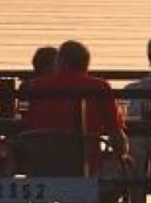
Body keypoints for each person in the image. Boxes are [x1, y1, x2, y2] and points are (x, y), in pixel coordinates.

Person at [22, 40, 125, 170]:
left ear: (60, 61)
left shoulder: (34, 86)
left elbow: (27, 124)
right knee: (122, 163)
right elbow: (116, 136)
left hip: (42, 165)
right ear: (86, 64)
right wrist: (123, 152)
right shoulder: (99, 87)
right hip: (85, 166)